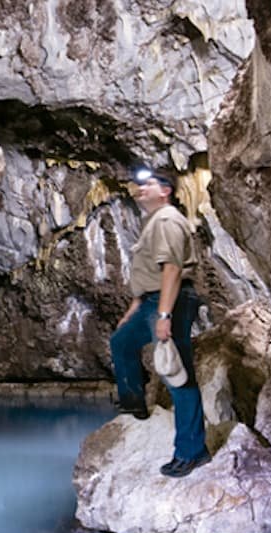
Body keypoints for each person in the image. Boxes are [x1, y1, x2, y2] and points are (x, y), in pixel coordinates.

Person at [109, 169, 210, 478]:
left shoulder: (166, 220)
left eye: (149, 183)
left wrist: (164, 315)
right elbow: (148, 273)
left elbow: (171, 270)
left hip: (172, 300)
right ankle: (133, 404)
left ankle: (192, 452)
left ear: (165, 191)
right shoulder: (152, 222)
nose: (141, 188)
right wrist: (134, 309)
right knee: (122, 341)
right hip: (152, 301)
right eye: (140, 184)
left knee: (177, 375)